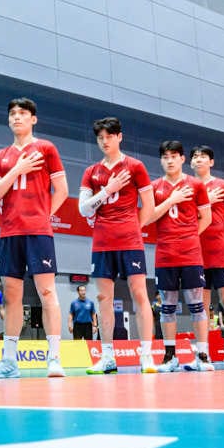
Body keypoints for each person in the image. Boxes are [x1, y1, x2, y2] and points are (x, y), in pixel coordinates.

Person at [0, 97, 68, 379]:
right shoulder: (1, 156)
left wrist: (44, 216)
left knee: (47, 293)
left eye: (23, 113)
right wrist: (17, 170)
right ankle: (9, 361)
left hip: (38, 232)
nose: (16, 117)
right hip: (10, 232)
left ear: (33, 119)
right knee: (11, 297)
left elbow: (62, 190)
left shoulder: (46, 148)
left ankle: (54, 358)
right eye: (13, 114)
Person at [79, 117, 156, 375]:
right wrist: (107, 189)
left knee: (139, 294)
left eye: (109, 136)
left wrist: (134, 229)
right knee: (103, 298)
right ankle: (108, 356)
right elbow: (82, 208)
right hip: (102, 242)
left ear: (119, 137)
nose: (104, 141)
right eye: (100, 137)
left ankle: (146, 356)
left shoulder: (135, 166)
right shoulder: (91, 172)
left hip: (130, 241)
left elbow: (149, 204)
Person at [147, 140, 213, 373]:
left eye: (174, 156)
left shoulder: (196, 185)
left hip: (190, 254)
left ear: (183, 159)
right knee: (167, 307)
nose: (170, 160)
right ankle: (169, 356)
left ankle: (203, 356)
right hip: (165, 254)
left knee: (197, 305)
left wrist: (189, 236)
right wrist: (172, 200)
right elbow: (148, 217)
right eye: (165, 157)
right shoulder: (154, 186)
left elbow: (207, 217)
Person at [190, 145, 224, 369]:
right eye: (195, 157)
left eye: (203, 156)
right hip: (196, 254)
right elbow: (185, 219)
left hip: (221, 253)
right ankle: (202, 355)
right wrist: (205, 201)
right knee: (200, 306)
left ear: (211, 162)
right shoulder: (187, 187)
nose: (199, 160)